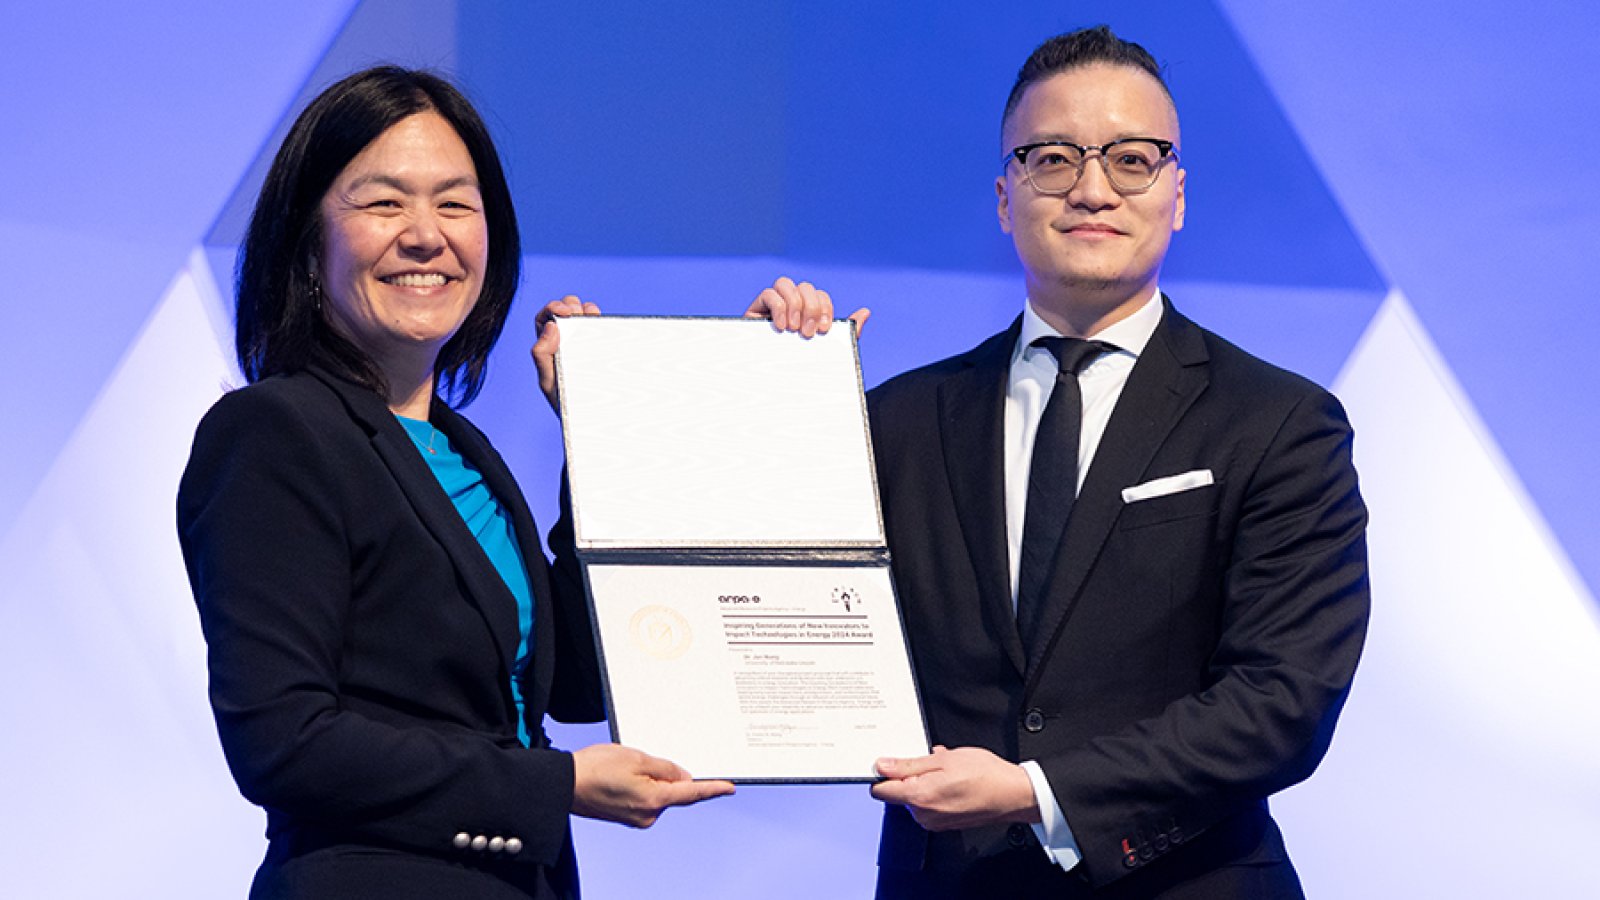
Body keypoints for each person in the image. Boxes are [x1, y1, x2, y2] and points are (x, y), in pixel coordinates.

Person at [177, 66, 753, 899]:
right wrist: (554, 788)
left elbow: (584, 684)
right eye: (383, 204)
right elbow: (284, 739)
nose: (424, 235)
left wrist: (610, 436)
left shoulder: (465, 452)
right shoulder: (275, 432)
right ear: (309, 240)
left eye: (455, 204)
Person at [860, 27, 1370, 898]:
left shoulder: (1280, 422)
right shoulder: (897, 419)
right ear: (1004, 194)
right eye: (1052, 158)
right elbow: (765, 599)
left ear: (1176, 194)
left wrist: (1039, 793)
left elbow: (1284, 701)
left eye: (1131, 160)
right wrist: (776, 393)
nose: (1092, 189)